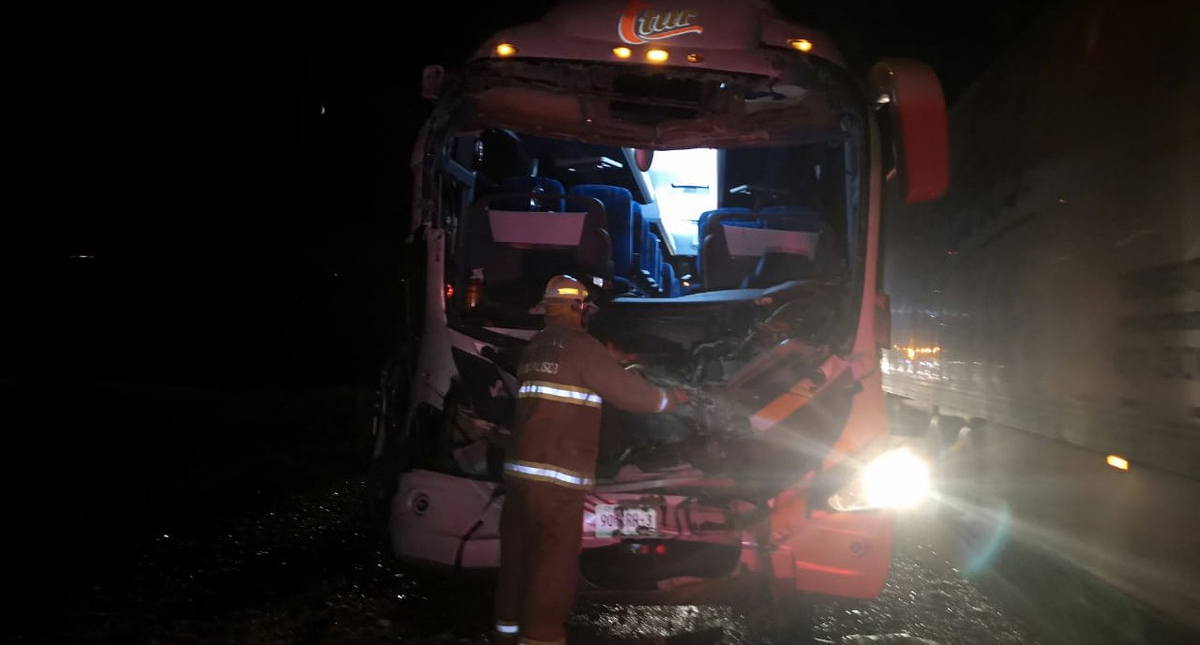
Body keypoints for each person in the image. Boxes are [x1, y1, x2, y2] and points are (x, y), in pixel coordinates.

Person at [492, 274, 687, 645]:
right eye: (584, 307)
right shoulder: (580, 345)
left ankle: (506, 635)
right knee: (553, 565)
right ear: (578, 308)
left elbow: (575, 379)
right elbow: (636, 398)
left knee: (517, 561)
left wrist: (610, 362)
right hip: (556, 479)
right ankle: (542, 638)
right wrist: (672, 399)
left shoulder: (538, 345)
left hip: (520, 475)